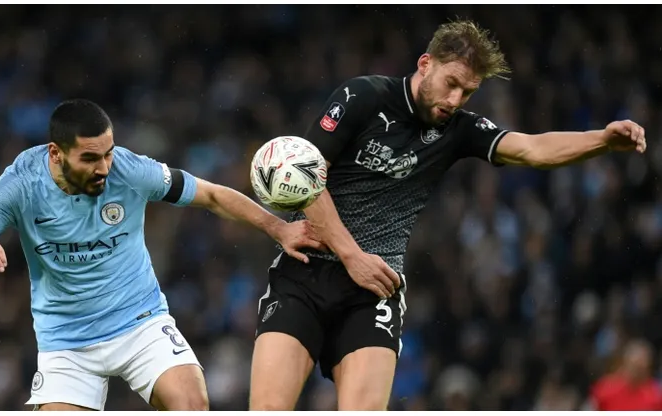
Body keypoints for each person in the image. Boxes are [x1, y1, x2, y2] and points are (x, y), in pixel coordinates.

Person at [250, 19, 647, 410]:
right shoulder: (364, 96)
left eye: (468, 92)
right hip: (306, 273)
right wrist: (351, 255)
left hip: (373, 292)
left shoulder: (458, 129)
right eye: (451, 83)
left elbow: (532, 149)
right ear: (426, 64)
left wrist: (602, 140)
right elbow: (305, 178)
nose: (455, 100)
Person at [0, 99, 324, 411]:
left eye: (107, 154)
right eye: (90, 158)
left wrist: (278, 227)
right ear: (56, 154)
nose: (104, 168)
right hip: (67, 342)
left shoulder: (129, 170)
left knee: (191, 403)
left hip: (140, 322)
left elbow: (210, 195)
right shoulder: (22, 182)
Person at [587, 339, 662, 410]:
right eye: (634, 366)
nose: (637, 372)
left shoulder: (656, 394)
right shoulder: (605, 388)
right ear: (624, 363)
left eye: (641, 367)